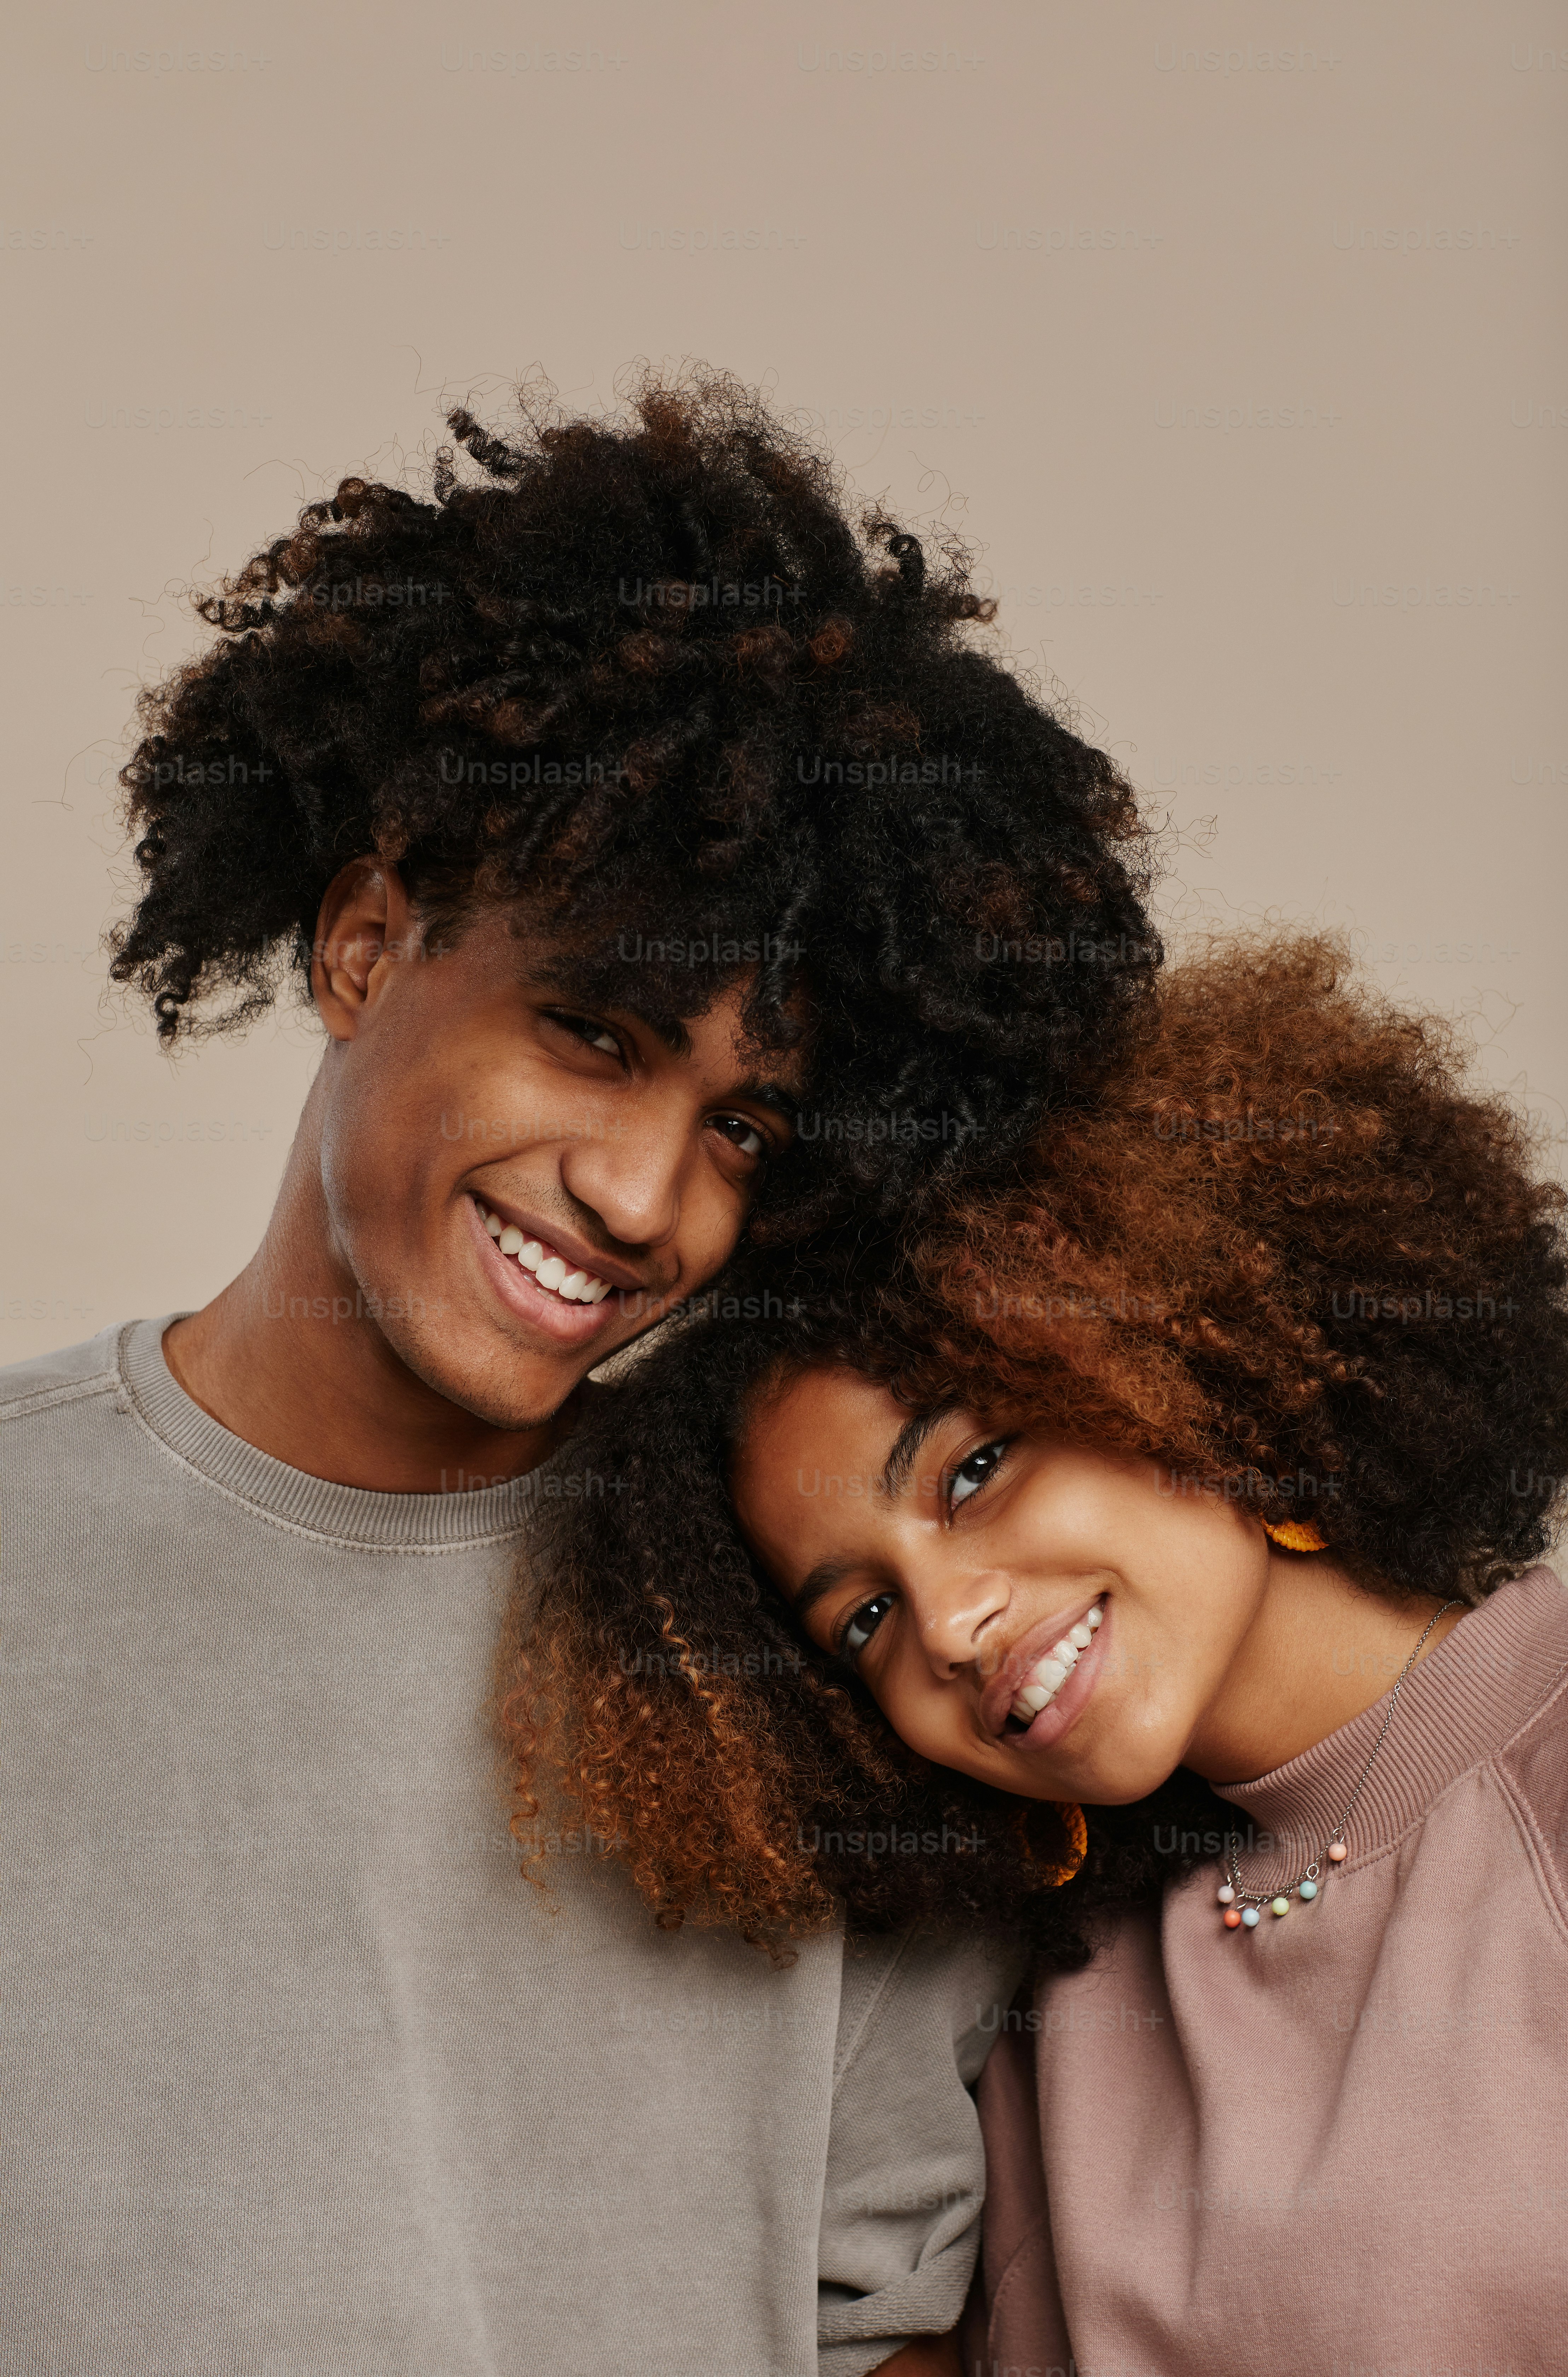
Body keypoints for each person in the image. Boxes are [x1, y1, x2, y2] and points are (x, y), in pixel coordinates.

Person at [0, 370, 1160, 2377]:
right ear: (365, 944)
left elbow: (892, 2321)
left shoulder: (818, 1618)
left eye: (749, 1132)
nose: (645, 1199)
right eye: (597, 1032)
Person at [512, 935, 1568, 2375]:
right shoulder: (1041, 1989)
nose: (949, 1629)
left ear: (1179, 1350)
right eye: (864, 1621)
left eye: (971, 1474)